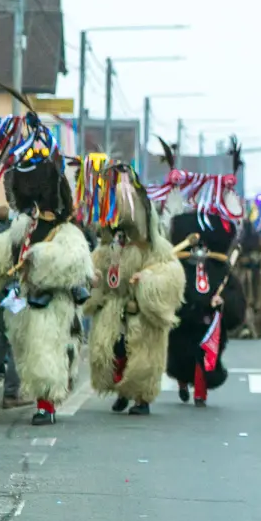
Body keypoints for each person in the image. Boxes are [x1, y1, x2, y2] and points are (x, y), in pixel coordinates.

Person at [0, 86, 95, 425]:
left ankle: (46, 407)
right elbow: (1, 258)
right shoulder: (22, 229)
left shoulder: (67, 231)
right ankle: (42, 400)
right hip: (25, 303)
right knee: (30, 355)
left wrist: (38, 257)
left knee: (47, 354)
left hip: (53, 306)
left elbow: (74, 264)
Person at [80, 153, 186, 417]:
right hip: (115, 308)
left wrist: (147, 280)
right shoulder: (110, 247)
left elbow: (171, 272)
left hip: (141, 310)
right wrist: (94, 280)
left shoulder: (155, 248)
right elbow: (99, 270)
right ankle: (121, 392)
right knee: (112, 353)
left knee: (142, 356)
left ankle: (141, 398)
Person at [155, 137, 248, 409]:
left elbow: (235, 221)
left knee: (209, 343)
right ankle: (182, 380)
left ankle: (201, 388)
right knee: (181, 339)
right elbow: (166, 224)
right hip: (183, 277)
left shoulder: (222, 222)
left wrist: (225, 301)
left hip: (215, 278)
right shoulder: (181, 218)